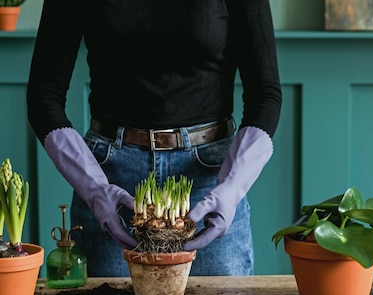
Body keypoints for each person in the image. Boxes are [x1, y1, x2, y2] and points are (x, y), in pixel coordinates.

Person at [27, 0, 282, 277]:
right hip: (111, 182)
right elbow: (44, 96)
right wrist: (95, 188)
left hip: (208, 184)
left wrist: (233, 186)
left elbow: (265, 95)